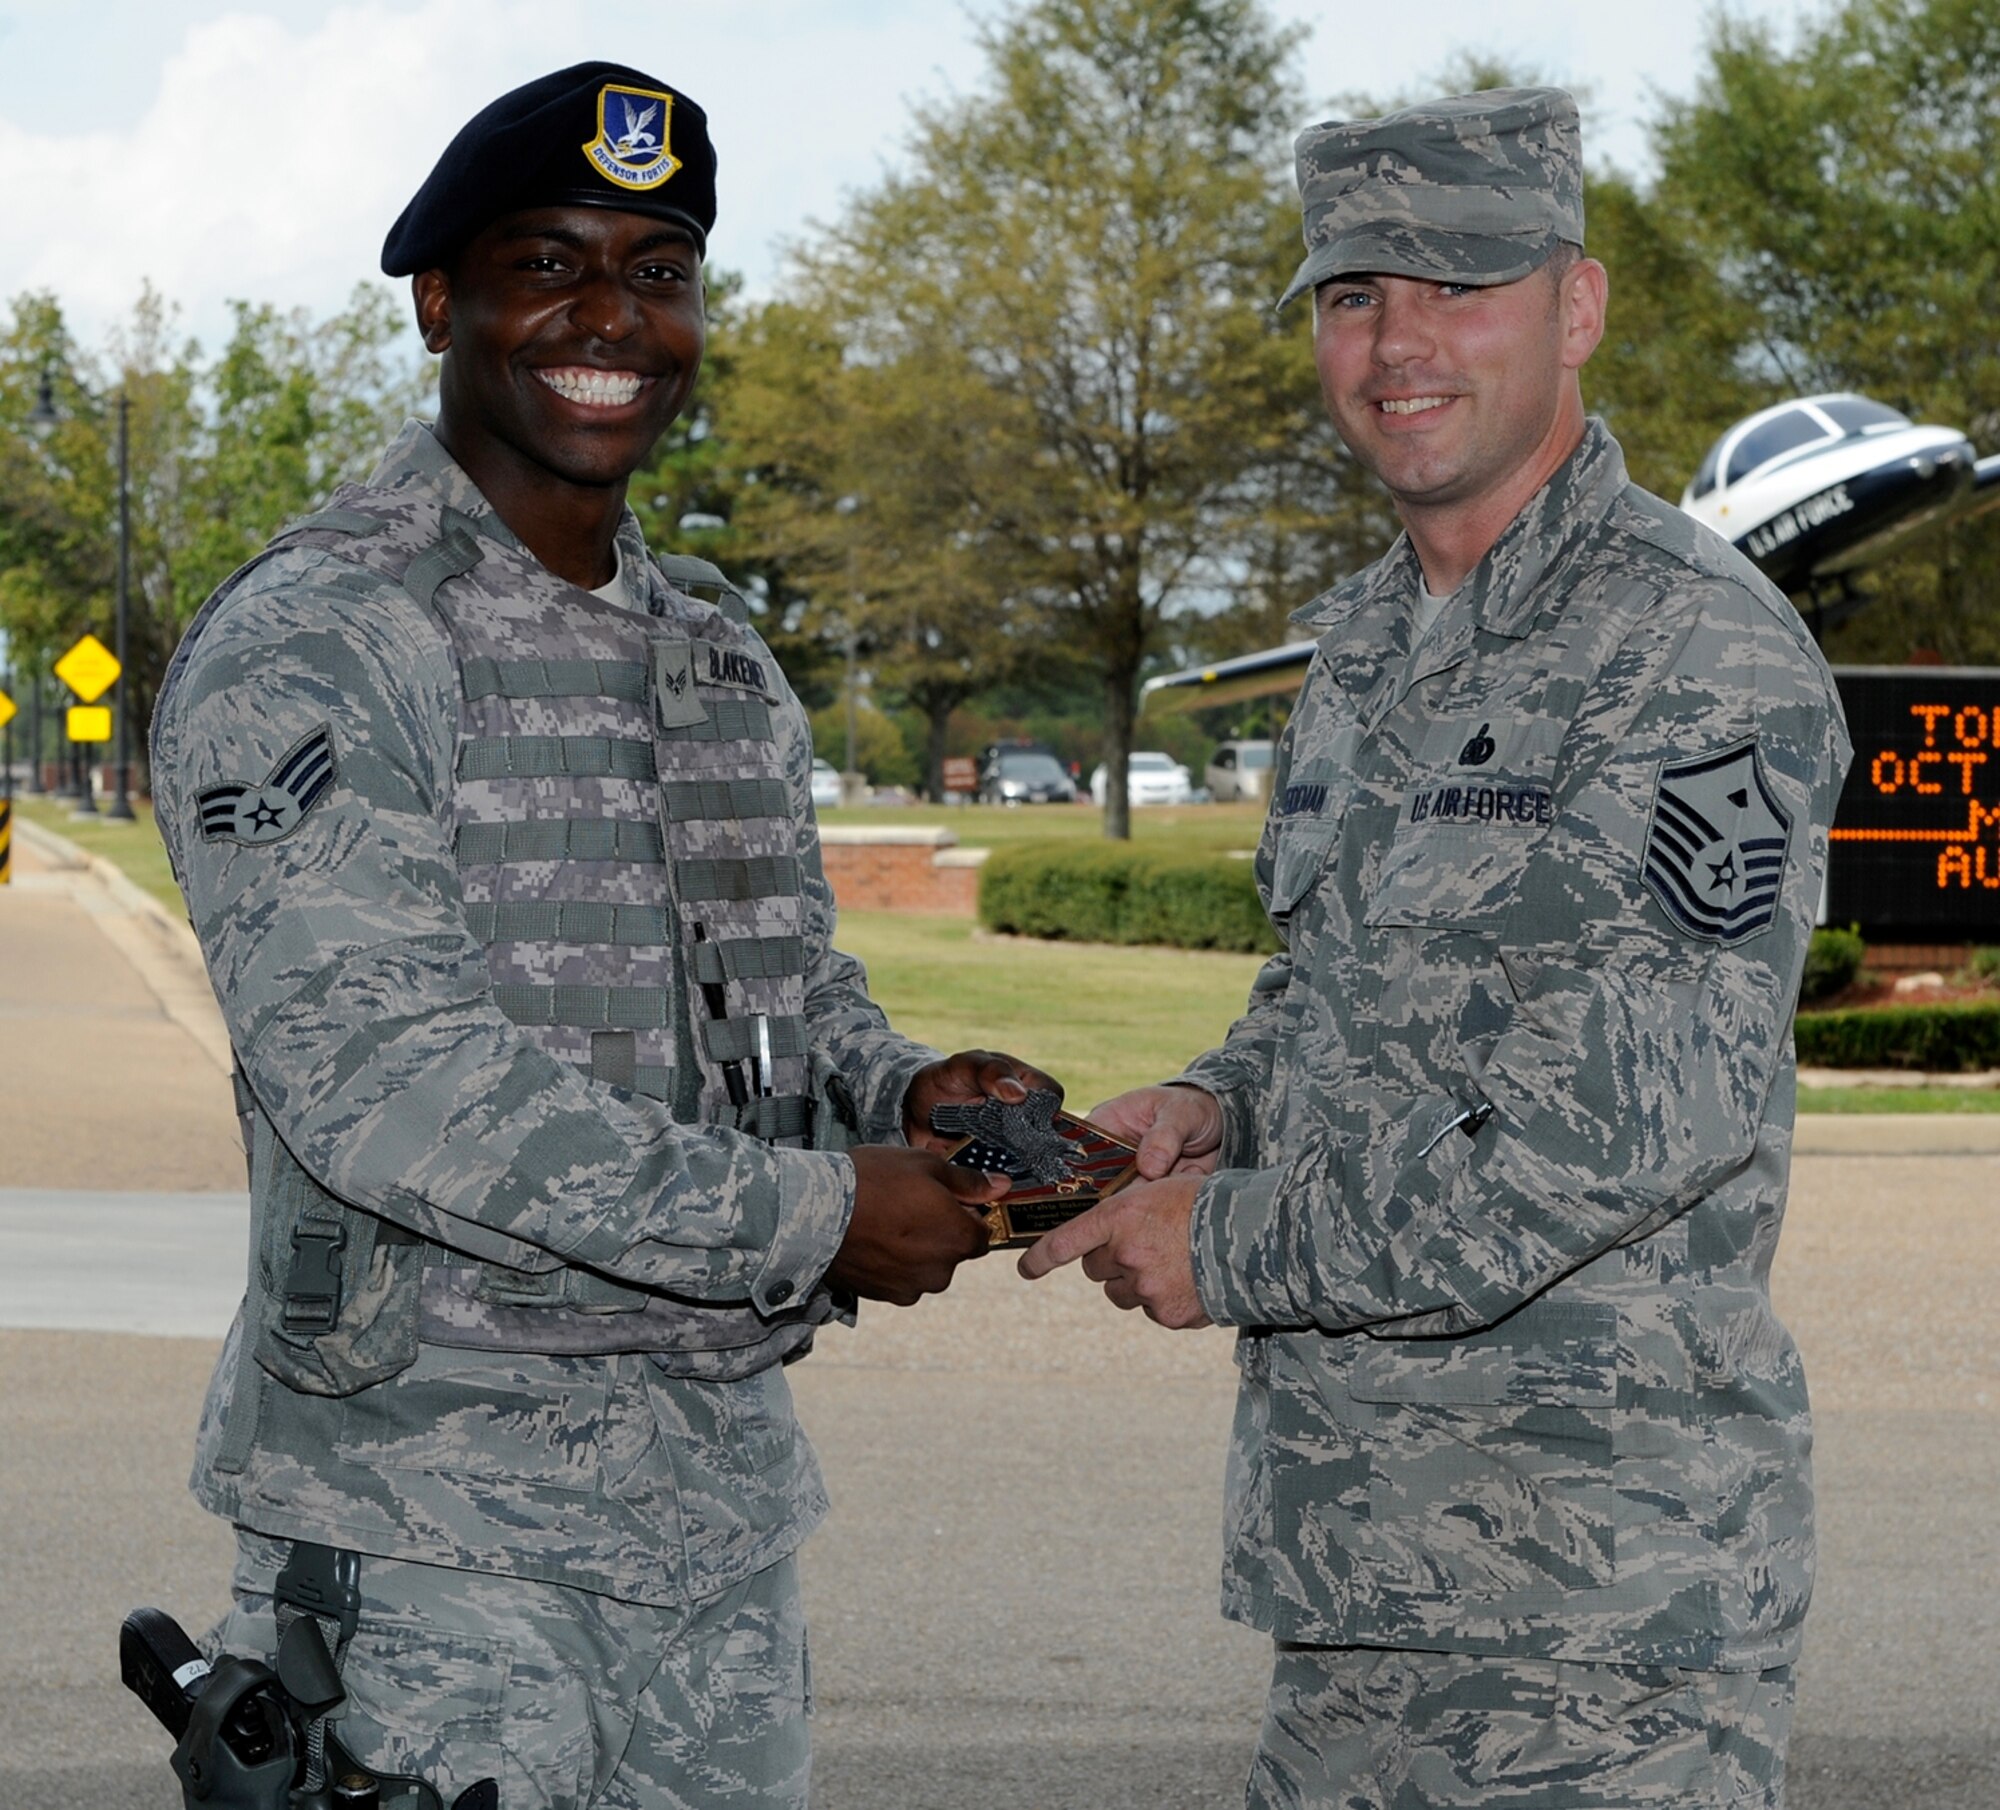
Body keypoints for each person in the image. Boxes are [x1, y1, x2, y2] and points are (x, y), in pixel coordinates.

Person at [150, 62, 1040, 1809]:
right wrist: (818, 1214)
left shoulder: (714, 651)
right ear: (441, 300)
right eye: (549, 263)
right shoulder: (323, 638)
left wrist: (905, 1090)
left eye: (658, 271)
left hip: (713, 1530)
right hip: (431, 1545)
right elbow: (389, 1084)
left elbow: (780, 994)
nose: (611, 317)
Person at [1023, 87, 1849, 1809]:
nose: (1398, 342)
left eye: (1458, 285)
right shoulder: (1367, 645)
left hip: (1600, 1624)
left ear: (1577, 307)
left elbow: (1623, 1119)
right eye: (1354, 294)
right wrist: (1216, 1104)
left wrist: (1229, 1241)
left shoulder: (1698, 651)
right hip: (1357, 1589)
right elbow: (1339, 993)